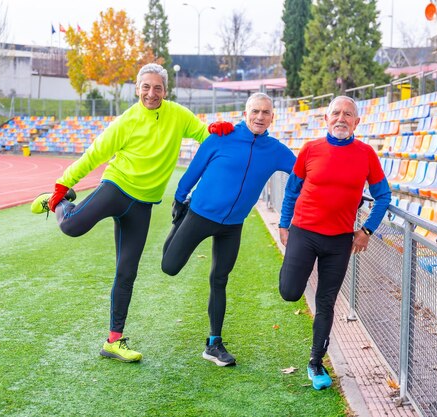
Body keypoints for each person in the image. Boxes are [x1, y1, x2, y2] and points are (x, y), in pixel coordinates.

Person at [29, 63, 233, 363]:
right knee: (71, 227)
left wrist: (217, 131)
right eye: (146, 87)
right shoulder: (126, 121)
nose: (152, 93)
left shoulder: (178, 115)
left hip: (142, 205)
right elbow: (94, 154)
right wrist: (63, 185)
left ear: (166, 90)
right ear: (138, 88)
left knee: (127, 272)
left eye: (158, 87)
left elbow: (204, 135)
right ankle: (56, 203)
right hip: (116, 187)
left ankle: (114, 341)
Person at [161, 92, 296, 367]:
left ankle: (214, 343)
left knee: (219, 279)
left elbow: (303, 171)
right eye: (255, 111)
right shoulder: (221, 137)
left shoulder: (275, 150)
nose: (260, 117)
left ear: (272, 117)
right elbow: (194, 170)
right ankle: (179, 224)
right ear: (245, 114)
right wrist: (180, 197)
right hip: (199, 214)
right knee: (170, 266)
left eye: (266, 113)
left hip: (233, 225)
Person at [277, 96, 391, 390]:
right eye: (336, 113)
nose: (341, 118)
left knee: (326, 302)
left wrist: (366, 230)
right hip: (304, 232)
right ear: (325, 119)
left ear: (357, 122)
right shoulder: (311, 149)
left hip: (340, 241)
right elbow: (292, 190)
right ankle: (294, 277)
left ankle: (315, 363)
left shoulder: (366, 154)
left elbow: (383, 196)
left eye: (348, 114)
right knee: (290, 292)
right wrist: (283, 224)